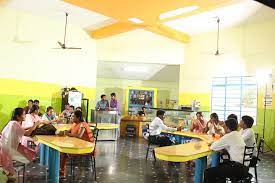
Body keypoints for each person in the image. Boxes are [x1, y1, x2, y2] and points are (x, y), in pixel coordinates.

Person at [0, 108, 41, 178]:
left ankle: (9, 172)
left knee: (28, 152)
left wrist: (32, 126)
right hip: (9, 149)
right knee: (31, 155)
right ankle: (10, 172)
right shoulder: (15, 124)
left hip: (4, 147)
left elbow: (22, 129)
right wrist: (35, 124)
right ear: (18, 116)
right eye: (24, 114)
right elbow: (27, 133)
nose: (25, 116)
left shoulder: (11, 122)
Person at [204, 118, 249, 183]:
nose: (223, 128)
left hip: (237, 168)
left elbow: (213, 147)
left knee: (208, 172)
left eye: (224, 126)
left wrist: (213, 144)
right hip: (244, 167)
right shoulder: (237, 134)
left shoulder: (229, 136)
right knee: (220, 167)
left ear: (227, 128)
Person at [59, 111, 94, 177]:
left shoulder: (83, 124)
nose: (72, 118)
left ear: (78, 118)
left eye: (73, 116)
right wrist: (63, 132)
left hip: (85, 148)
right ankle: (61, 170)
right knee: (62, 151)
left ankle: (62, 171)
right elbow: (68, 131)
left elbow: (79, 136)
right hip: (77, 145)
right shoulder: (74, 124)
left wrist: (67, 134)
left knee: (63, 151)